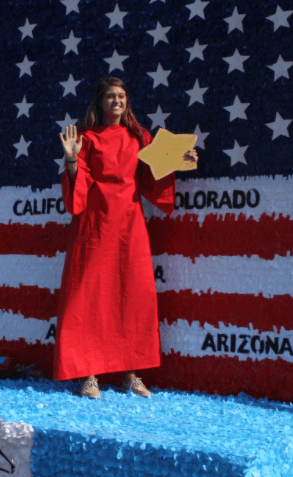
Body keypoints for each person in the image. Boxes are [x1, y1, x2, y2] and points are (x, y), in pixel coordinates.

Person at [56, 77, 198, 399]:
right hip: (94, 228)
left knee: (133, 297)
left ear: (126, 102)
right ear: (100, 102)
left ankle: (131, 375)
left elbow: (152, 178)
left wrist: (179, 158)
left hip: (130, 228)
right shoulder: (87, 139)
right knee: (90, 299)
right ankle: (88, 375)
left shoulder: (140, 137)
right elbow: (78, 190)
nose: (116, 101)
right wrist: (71, 160)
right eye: (110, 96)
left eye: (121, 96)